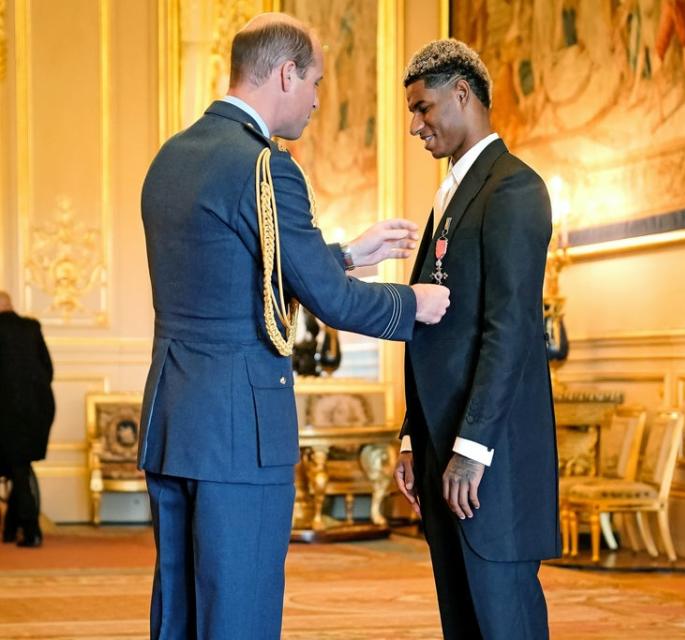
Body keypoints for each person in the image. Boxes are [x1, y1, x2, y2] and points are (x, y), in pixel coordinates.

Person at [138, 13, 450, 640]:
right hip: (241, 429)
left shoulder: (172, 158)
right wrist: (413, 303)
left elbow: (236, 269)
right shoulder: (265, 166)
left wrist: (343, 254)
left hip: (174, 419)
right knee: (240, 613)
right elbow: (333, 304)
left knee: (180, 611)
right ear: (286, 73)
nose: (314, 99)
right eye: (314, 82)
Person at [392, 39, 559, 639]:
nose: (415, 125)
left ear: (462, 94)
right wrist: (414, 433)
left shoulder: (513, 188)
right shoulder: (452, 194)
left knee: (502, 619)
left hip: (490, 457)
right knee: (462, 620)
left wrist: (472, 449)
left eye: (422, 107)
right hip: (445, 447)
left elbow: (509, 329)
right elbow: (431, 331)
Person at [0, 291, 55, 548]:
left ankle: (32, 531)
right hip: (38, 412)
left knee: (18, 469)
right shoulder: (31, 328)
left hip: (7, 413)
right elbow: (48, 370)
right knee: (19, 467)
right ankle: (11, 529)